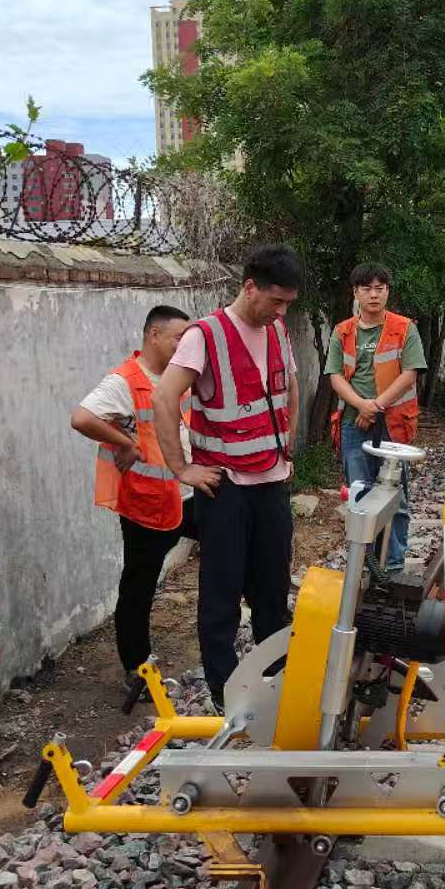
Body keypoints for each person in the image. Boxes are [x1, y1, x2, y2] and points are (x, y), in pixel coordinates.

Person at [153, 245, 304, 710]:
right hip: (226, 489)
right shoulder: (206, 335)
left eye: (288, 304)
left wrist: (287, 444)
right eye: (275, 301)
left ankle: (275, 683)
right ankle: (225, 693)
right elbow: (163, 398)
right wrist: (182, 469)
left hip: (272, 484)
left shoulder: (277, 330)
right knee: (221, 596)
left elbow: (290, 384)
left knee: (272, 592)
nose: (281, 311)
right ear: (250, 287)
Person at [71, 305, 197, 689]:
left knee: (232, 551)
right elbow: (82, 418)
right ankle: (136, 669)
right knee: (139, 585)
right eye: (178, 338)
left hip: (189, 493)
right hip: (149, 501)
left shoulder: (178, 376)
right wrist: (125, 442)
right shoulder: (124, 380)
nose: (184, 346)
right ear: (154, 335)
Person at [325, 263, 427, 571]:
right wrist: (361, 405)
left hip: (393, 425)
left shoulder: (404, 328)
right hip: (353, 424)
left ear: (387, 292)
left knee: (395, 496)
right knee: (360, 493)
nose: (374, 295)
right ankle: (366, 565)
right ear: (355, 293)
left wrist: (375, 407)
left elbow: (409, 374)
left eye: (379, 289)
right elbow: (335, 376)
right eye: (367, 289)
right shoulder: (342, 331)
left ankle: (392, 566)